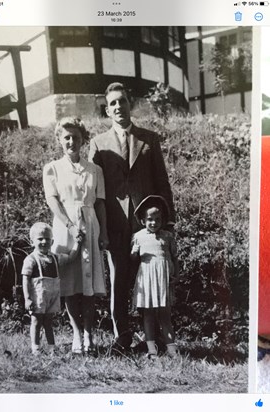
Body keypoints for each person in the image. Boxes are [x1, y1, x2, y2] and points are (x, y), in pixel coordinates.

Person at [88, 82, 175, 350]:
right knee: (119, 279)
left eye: (122, 101)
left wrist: (168, 220)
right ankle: (122, 335)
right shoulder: (98, 144)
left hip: (146, 225)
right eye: (112, 103)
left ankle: (152, 337)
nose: (118, 107)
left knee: (148, 278)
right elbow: (93, 190)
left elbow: (162, 181)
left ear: (131, 104)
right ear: (107, 110)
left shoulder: (149, 139)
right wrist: (97, 226)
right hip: (113, 224)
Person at [43, 117, 108, 354]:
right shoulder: (52, 168)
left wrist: (104, 233)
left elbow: (100, 204)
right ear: (60, 140)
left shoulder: (95, 170)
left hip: (90, 225)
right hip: (65, 227)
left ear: (83, 140)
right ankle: (77, 335)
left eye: (76, 137)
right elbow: (53, 201)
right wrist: (70, 226)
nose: (72, 141)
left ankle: (90, 333)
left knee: (88, 283)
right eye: (67, 137)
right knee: (70, 283)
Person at [22, 222, 83, 355]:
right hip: (38, 296)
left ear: (52, 241)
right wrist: (27, 298)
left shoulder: (55, 258)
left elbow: (71, 257)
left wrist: (78, 243)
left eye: (47, 239)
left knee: (49, 321)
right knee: (36, 320)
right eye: (40, 239)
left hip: (52, 296)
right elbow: (25, 279)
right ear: (32, 242)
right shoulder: (31, 259)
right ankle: (36, 348)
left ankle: (51, 348)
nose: (44, 241)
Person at [131, 195, 179, 359]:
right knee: (149, 314)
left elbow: (174, 258)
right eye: (150, 219)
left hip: (163, 279)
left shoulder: (168, 236)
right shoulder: (138, 236)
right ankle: (152, 349)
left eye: (158, 219)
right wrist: (133, 253)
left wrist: (176, 276)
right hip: (147, 278)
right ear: (143, 220)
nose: (154, 222)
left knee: (165, 315)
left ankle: (172, 350)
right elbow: (133, 259)